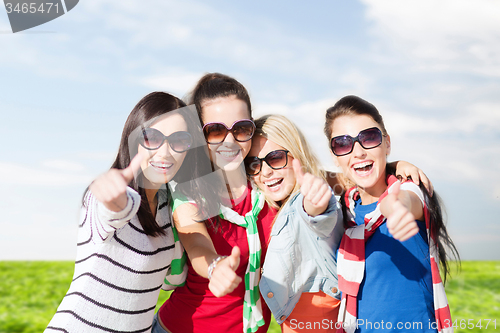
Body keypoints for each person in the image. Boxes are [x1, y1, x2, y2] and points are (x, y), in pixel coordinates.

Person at [45, 92, 239, 333]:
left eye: (179, 141)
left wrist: (214, 265)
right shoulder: (110, 197)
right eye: (152, 138)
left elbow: (193, 242)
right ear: (133, 138)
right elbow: (113, 210)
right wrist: (113, 198)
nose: (165, 152)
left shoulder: (169, 207)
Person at [246, 115, 432, 333]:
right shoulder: (261, 204)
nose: (265, 171)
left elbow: (318, 214)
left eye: (276, 158)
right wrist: (393, 164)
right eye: (253, 164)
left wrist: (315, 204)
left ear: (296, 154)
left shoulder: (305, 202)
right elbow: (350, 174)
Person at [324, 95, 459, 333]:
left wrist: (393, 207)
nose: (358, 152)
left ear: (386, 143)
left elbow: (406, 200)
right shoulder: (345, 210)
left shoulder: (410, 190)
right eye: (343, 144)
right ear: (335, 156)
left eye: (369, 137)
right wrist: (394, 163)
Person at [155, 73, 277, 333]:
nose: (230, 141)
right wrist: (214, 265)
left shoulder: (268, 185)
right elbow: (195, 240)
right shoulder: (188, 191)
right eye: (216, 130)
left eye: (241, 129)